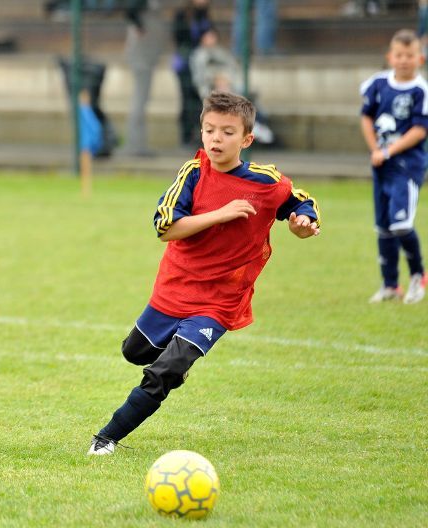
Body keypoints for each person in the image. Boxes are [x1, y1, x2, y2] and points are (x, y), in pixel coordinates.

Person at [88, 90, 321, 455]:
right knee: (136, 352)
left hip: (221, 300)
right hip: (176, 287)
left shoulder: (266, 181)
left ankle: (107, 438)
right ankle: (178, 360)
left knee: (163, 373)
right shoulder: (194, 173)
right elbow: (165, 227)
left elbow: (301, 202)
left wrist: (303, 222)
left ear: (247, 139)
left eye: (228, 132)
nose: (216, 138)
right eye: (209, 130)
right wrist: (222, 213)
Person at [360, 29, 427, 304]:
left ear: (419, 59)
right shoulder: (377, 84)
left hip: (407, 167)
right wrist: (375, 148)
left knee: (401, 224)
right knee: (384, 227)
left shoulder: (421, 90)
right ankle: (390, 285)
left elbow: (420, 130)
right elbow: (365, 117)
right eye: (399, 55)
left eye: (409, 55)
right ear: (390, 56)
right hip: (382, 166)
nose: (403, 60)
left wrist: (388, 150)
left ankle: (418, 276)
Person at [189, 26, 274, 145]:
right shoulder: (199, 56)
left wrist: (226, 80)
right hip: (212, 90)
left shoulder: (221, 53)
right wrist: (216, 80)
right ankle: (256, 130)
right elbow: (200, 78)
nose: (211, 40)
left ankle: (258, 127)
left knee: (246, 100)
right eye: (208, 37)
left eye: (212, 36)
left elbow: (233, 69)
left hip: (231, 87)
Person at [121, 0, 164, 157]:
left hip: (148, 55)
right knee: (139, 100)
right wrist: (139, 26)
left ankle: (139, 143)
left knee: (142, 100)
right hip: (141, 56)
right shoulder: (140, 13)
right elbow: (129, 9)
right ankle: (135, 144)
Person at [172, 0, 212, 147]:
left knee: (199, 100)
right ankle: (186, 135)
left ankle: (197, 134)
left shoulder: (205, 15)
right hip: (185, 64)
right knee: (187, 99)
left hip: (200, 65)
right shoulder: (182, 15)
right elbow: (179, 38)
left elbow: (212, 33)